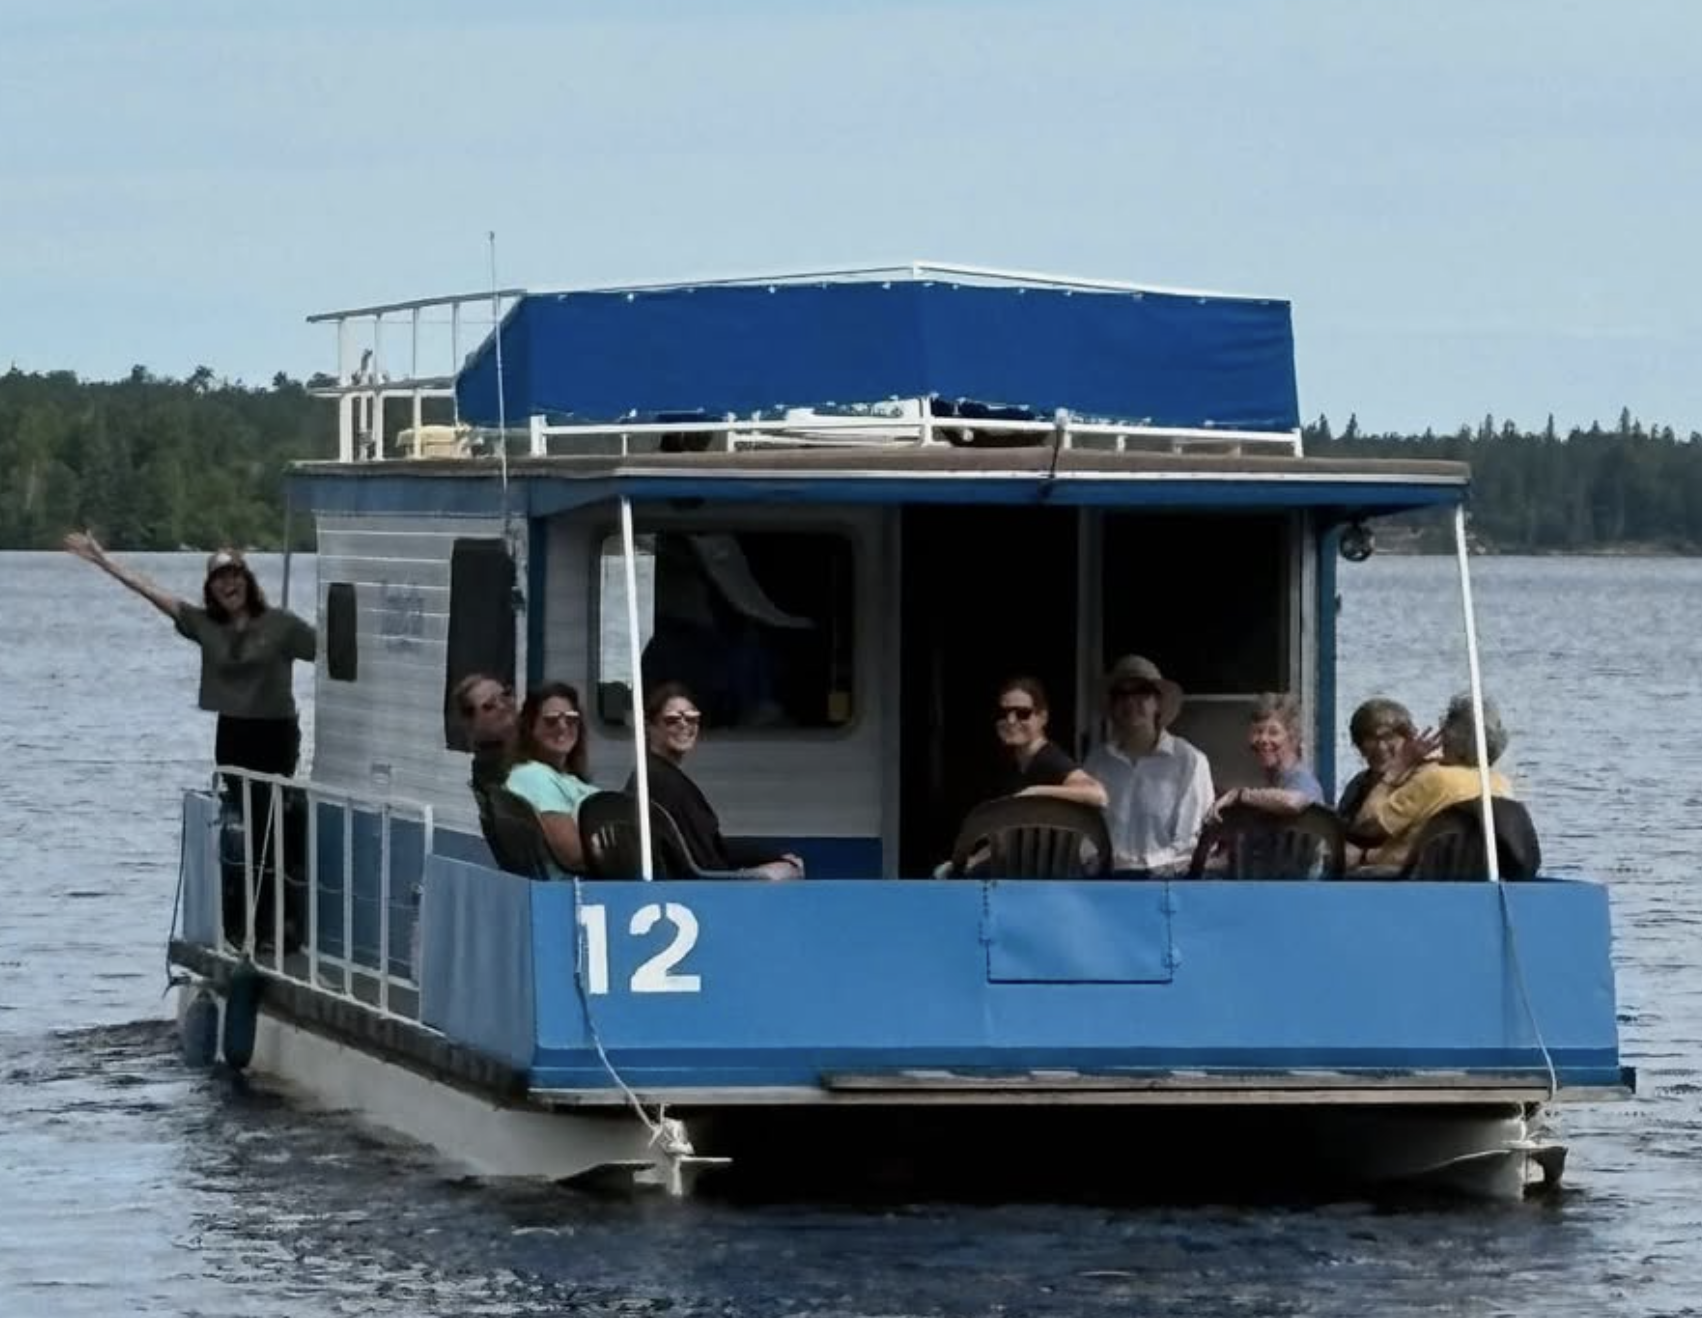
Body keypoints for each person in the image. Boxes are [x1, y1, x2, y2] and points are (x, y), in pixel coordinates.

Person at [63, 532, 316, 778]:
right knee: (245, 801)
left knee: (273, 802)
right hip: (234, 732)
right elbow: (150, 590)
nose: (228, 584)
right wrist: (104, 561)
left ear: (247, 581)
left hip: (276, 731)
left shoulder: (282, 624)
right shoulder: (205, 625)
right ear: (211, 589)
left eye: (234, 576)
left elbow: (327, 651)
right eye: (219, 579)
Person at [626, 682, 803, 879]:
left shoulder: (655, 774)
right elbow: (705, 864)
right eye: (672, 719)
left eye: (692, 718)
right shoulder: (662, 782)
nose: (684, 725)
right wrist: (758, 875)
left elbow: (713, 845)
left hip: (696, 880)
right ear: (650, 727)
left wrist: (773, 855)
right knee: (787, 873)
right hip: (698, 890)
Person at [1347, 694, 1514, 872]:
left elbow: (1365, 827)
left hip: (1411, 875)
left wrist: (1394, 772)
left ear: (1452, 737)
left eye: (1444, 730)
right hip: (1471, 874)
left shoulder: (1435, 779)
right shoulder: (1500, 783)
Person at [1083, 655, 1214, 875]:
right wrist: (1096, 863)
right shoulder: (1096, 762)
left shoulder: (1189, 762)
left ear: (1158, 703)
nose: (1130, 702)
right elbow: (1083, 831)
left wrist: (1141, 867)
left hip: (1168, 885)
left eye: (1142, 692)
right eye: (1121, 694)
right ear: (1112, 705)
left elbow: (1192, 841)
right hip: (1104, 884)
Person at [503, 682, 596, 877]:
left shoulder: (568, 778)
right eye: (551, 720)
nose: (562, 727)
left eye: (571, 719)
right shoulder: (532, 776)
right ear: (531, 727)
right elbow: (574, 855)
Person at [987, 676, 1108, 806]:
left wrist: (1034, 792)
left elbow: (1098, 795)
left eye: (1023, 713)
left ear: (1043, 718)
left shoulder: (1049, 757)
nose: (1010, 721)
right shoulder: (1016, 762)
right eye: (1003, 713)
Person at [1212, 692, 1325, 819]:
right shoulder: (1271, 782)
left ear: (1293, 738)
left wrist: (1240, 795)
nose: (1263, 739)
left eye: (1273, 732)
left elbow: (1293, 802)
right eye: (1257, 731)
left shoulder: (1301, 779)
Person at [1336, 697, 1416, 824]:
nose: (1381, 747)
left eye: (1389, 737)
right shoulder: (1358, 784)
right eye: (1371, 739)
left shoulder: (1418, 783)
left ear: (1407, 740)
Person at [452, 672, 517, 794]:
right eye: (489, 706)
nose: (503, 706)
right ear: (471, 722)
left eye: (506, 694)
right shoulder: (493, 770)